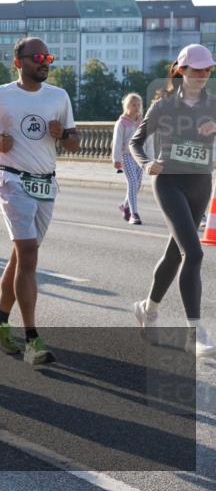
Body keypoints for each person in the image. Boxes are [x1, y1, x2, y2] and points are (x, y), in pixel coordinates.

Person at [0, 37, 79, 365]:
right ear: (19, 62)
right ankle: (32, 339)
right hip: (11, 178)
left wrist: (63, 135)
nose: (44, 62)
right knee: (28, 253)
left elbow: (73, 143)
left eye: (48, 57)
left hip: (46, 182)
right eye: (38, 57)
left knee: (22, 257)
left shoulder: (59, 96)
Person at [130, 44, 216, 356]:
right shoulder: (163, 107)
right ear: (181, 70)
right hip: (168, 183)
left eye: (208, 69)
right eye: (196, 69)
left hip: (200, 184)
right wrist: (144, 164)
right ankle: (196, 332)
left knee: (175, 253)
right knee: (193, 254)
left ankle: (148, 308)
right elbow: (135, 142)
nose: (203, 74)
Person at [113, 93, 145, 225]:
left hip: (140, 157)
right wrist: (116, 159)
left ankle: (124, 205)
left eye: (138, 105)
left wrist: (148, 158)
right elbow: (117, 142)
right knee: (132, 183)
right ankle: (134, 214)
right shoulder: (121, 122)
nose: (136, 107)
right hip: (126, 156)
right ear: (127, 106)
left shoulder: (142, 121)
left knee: (137, 185)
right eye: (133, 105)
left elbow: (147, 140)